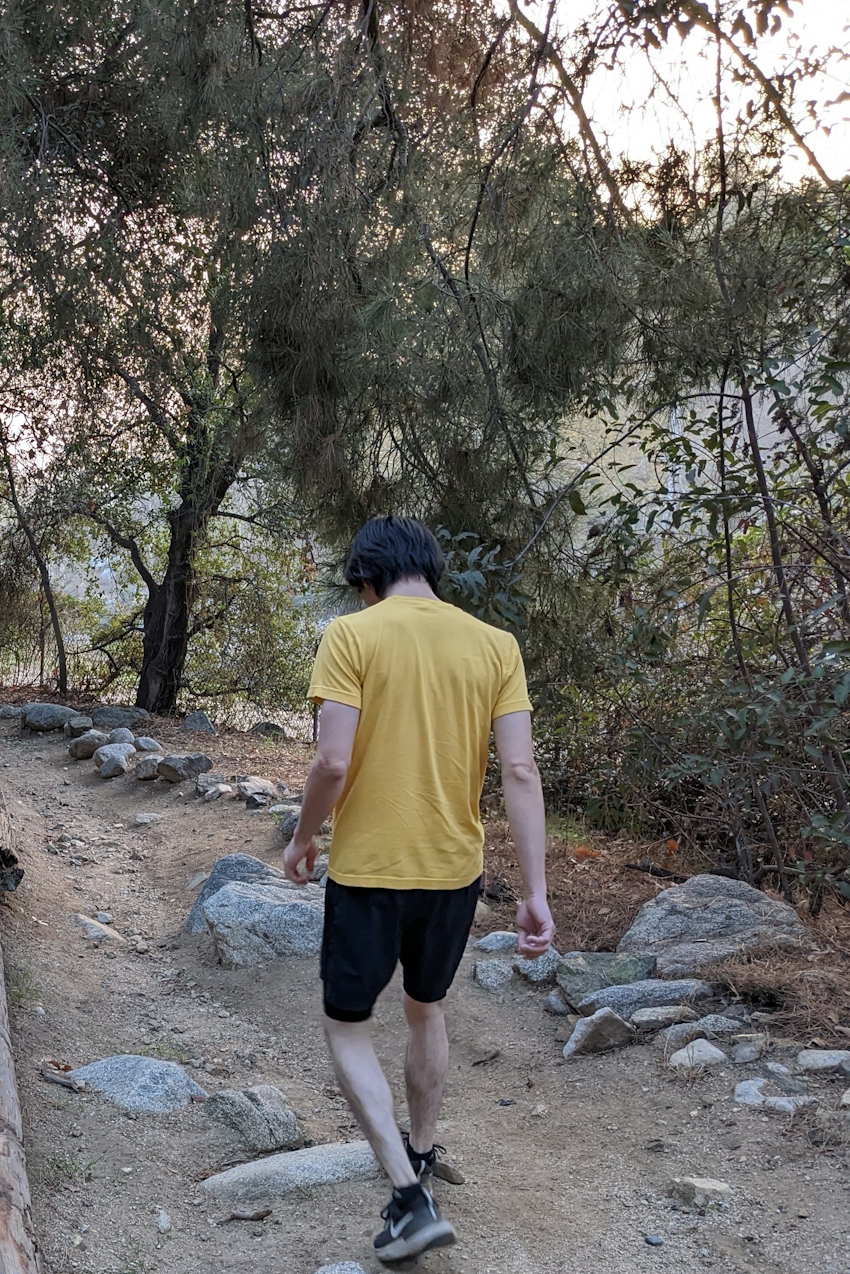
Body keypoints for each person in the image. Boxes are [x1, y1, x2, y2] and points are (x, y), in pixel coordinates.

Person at [284, 515, 554, 1264]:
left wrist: (304, 837)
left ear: (367, 579)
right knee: (424, 1008)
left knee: (346, 1025)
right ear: (429, 570)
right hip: (453, 872)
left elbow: (332, 764)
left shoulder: (353, 636)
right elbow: (521, 774)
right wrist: (535, 890)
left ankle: (408, 1196)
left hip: (371, 869)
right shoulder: (494, 645)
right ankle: (424, 1152)